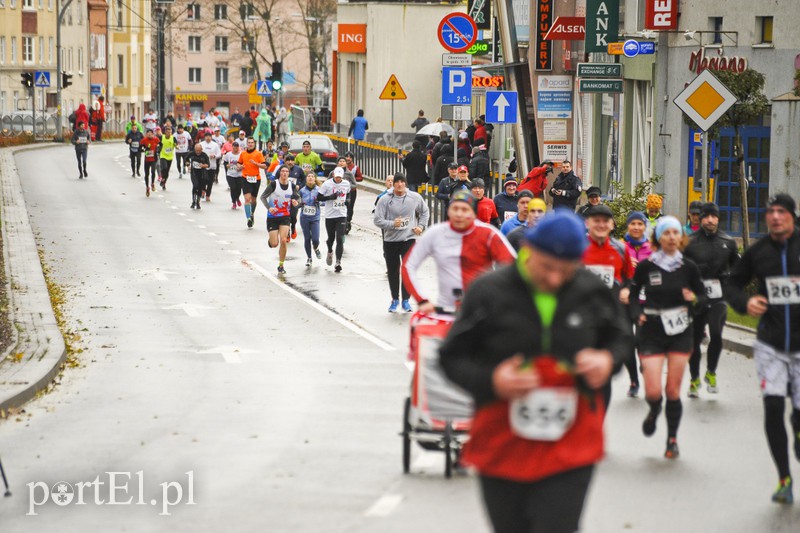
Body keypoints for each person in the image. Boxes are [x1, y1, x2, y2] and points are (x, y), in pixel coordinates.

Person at [439, 210, 632, 533]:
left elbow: (621, 339)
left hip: (571, 443)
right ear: (529, 251)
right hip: (502, 440)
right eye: (547, 267)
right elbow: (451, 358)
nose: (555, 279)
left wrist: (607, 361)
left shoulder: (590, 291)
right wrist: (492, 380)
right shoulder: (489, 291)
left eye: (566, 270)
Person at [725, 194, 800, 504]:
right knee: (771, 408)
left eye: (781, 212)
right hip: (770, 343)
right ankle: (784, 477)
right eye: (770, 212)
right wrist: (745, 302)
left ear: (793, 217)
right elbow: (731, 285)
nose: (775, 217)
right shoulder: (758, 252)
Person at [628, 216, 706, 459]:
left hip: (680, 331)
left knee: (673, 389)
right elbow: (632, 294)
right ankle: (653, 410)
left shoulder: (689, 268)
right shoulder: (647, 266)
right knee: (653, 391)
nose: (672, 237)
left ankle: (672, 439)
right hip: (652, 330)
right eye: (666, 233)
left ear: (680, 238)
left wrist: (693, 299)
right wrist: (637, 313)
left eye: (675, 233)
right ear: (658, 238)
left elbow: (702, 298)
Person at [402, 190, 515, 312]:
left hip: (482, 311)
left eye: (465, 209)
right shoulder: (435, 233)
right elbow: (408, 266)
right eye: (455, 208)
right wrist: (421, 300)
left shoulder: (489, 234)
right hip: (445, 311)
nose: (459, 214)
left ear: (474, 213)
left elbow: (515, 268)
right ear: (448, 211)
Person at [582, 204, 636, 407]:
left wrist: (626, 290)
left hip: (611, 317)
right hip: (584, 317)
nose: (601, 225)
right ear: (588, 224)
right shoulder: (579, 248)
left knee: (604, 370)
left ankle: (599, 413)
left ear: (612, 225)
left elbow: (630, 278)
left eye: (605, 221)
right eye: (596, 221)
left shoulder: (620, 249)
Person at [684, 202, 740, 398]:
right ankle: (694, 379)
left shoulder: (728, 242)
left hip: (719, 297)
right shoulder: (689, 242)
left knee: (716, 334)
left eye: (713, 216)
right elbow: (681, 268)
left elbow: (738, 269)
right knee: (695, 339)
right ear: (700, 218)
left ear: (718, 218)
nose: (709, 219)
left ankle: (711, 372)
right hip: (696, 298)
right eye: (706, 216)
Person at [373, 173, 430, 312]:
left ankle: (406, 300)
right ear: (393, 185)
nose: (399, 185)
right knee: (393, 272)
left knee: (407, 269)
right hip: (391, 240)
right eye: (397, 182)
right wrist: (393, 224)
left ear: (405, 183)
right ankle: (395, 299)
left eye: (402, 182)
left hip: (408, 239)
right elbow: (377, 220)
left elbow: (425, 211)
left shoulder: (414, 197)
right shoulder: (384, 199)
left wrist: (421, 226)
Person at [622, 211, 653, 396]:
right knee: (627, 342)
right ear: (628, 226)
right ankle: (634, 381)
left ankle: (644, 362)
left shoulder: (652, 249)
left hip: (645, 301)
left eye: (639, 224)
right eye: (632, 224)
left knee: (641, 341)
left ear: (644, 227)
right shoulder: (621, 248)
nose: (636, 227)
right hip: (625, 300)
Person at [261, 166, 300, 274]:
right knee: (274, 244)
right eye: (283, 171)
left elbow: (298, 197)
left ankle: (281, 265)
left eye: (287, 171)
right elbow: (263, 197)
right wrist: (269, 208)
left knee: (283, 240)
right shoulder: (273, 184)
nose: (285, 173)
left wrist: (296, 202)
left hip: (285, 216)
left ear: (288, 174)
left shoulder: (292, 186)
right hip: (273, 217)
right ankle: (271, 241)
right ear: (279, 173)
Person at [317, 167, 351, 272]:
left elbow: (348, 194)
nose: (338, 179)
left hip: (341, 214)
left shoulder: (346, 184)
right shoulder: (327, 184)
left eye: (340, 177)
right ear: (333, 175)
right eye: (336, 177)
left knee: (340, 238)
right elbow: (319, 197)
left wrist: (348, 201)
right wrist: (330, 197)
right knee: (331, 238)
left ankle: (338, 262)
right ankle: (330, 251)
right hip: (330, 215)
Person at [237, 137, 268, 228]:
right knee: (247, 199)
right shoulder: (243, 153)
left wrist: (256, 164)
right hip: (245, 178)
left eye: (252, 143)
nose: (250, 144)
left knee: (253, 199)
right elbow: (238, 163)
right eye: (249, 142)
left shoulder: (258, 154)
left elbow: (264, 166)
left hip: (256, 179)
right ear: (247, 144)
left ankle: (252, 213)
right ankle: (248, 219)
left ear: (254, 144)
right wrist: (240, 166)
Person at [298, 172, 323, 267]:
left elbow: (324, 201)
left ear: (315, 179)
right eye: (309, 176)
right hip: (304, 217)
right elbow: (297, 203)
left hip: (315, 217)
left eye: (312, 176)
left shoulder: (319, 190)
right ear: (306, 179)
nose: (310, 178)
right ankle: (309, 258)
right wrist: (300, 204)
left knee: (315, 239)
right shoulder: (302, 191)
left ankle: (316, 248)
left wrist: (319, 201)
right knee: (307, 238)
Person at [186, 142, 210, 210]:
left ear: (202, 149)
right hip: (194, 173)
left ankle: (198, 201)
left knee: (200, 187)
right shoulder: (191, 153)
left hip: (202, 173)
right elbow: (186, 159)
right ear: (194, 149)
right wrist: (188, 165)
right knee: (195, 185)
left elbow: (208, 164)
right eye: (196, 151)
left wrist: (203, 165)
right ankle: (193, 201)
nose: (198, 152)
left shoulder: (204, 155)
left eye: (199, 150)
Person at [222, 140, 243, 210]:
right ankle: (234, 202)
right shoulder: (228, 154)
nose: (235, 148)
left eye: (237, 147)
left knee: (239, 189)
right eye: (234, 147)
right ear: (232, 147)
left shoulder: (241, 154)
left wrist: (240, 168)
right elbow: (225, 162)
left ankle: (237, 198)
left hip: (239, 175)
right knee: (233, 188)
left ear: (238, 147)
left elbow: (244, 164)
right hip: (230, 174)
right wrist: (227, 166)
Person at [158, 125, 176, 191]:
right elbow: (158, 143)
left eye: (170, 132)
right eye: (168, 132)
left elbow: (176, 144)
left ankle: (164, 182)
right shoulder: (161, 137)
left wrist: (177, 146)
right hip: (163, 155)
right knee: (164, 168)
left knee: (167, 172)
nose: (169, 133)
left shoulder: (173, 138)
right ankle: (163, 178)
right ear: (165, 132)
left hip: (170, 157)